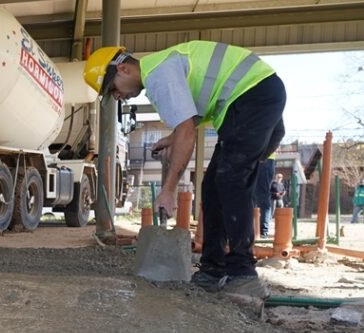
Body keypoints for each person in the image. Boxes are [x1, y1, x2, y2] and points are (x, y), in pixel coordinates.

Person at [86, 41, 286, 299]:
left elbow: (188, 132)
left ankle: (243, 274)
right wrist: (174, 136)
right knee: (213, 187)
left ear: (123, 69)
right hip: (255, 96)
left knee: (231, 180)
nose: (116, 96)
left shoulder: (158, 74)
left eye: (111, 88)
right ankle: (212, 271)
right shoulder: (162, 68)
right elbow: (188, 122)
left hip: (252, 95)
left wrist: (168, 190)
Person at [254, 160, 274, 238]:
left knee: (263, 197)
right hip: (256, 159)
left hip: (264, 160)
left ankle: (262, 231)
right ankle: (257, 231)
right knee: (252, 196)